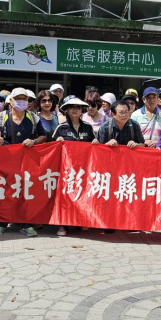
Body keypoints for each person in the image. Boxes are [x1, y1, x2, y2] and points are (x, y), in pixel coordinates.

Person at [0, 88, 46, 237]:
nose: (22, 101)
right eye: (18, 98)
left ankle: (25, 224)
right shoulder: (2, 117)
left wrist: (34, 141)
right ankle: (1, 223)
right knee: (5, 192)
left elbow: (43, 136)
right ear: (10, 100)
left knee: (25, 192)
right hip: (6, 162)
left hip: (27, 163)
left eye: (25, 98)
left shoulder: (33, 118)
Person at [53, 97, 94, 237]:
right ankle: (62, 224)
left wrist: (95, 142)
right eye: (72, 107)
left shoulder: (88, 128)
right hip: (66, 169)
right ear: (67, 110)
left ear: (82, 110)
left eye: (78, 107)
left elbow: (95, 147)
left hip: (84, 169)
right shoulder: (61, 128)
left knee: (82, 194)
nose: (75, 110)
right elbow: (51, 147)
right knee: (65, 196)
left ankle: (81, 220)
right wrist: (57, 142)